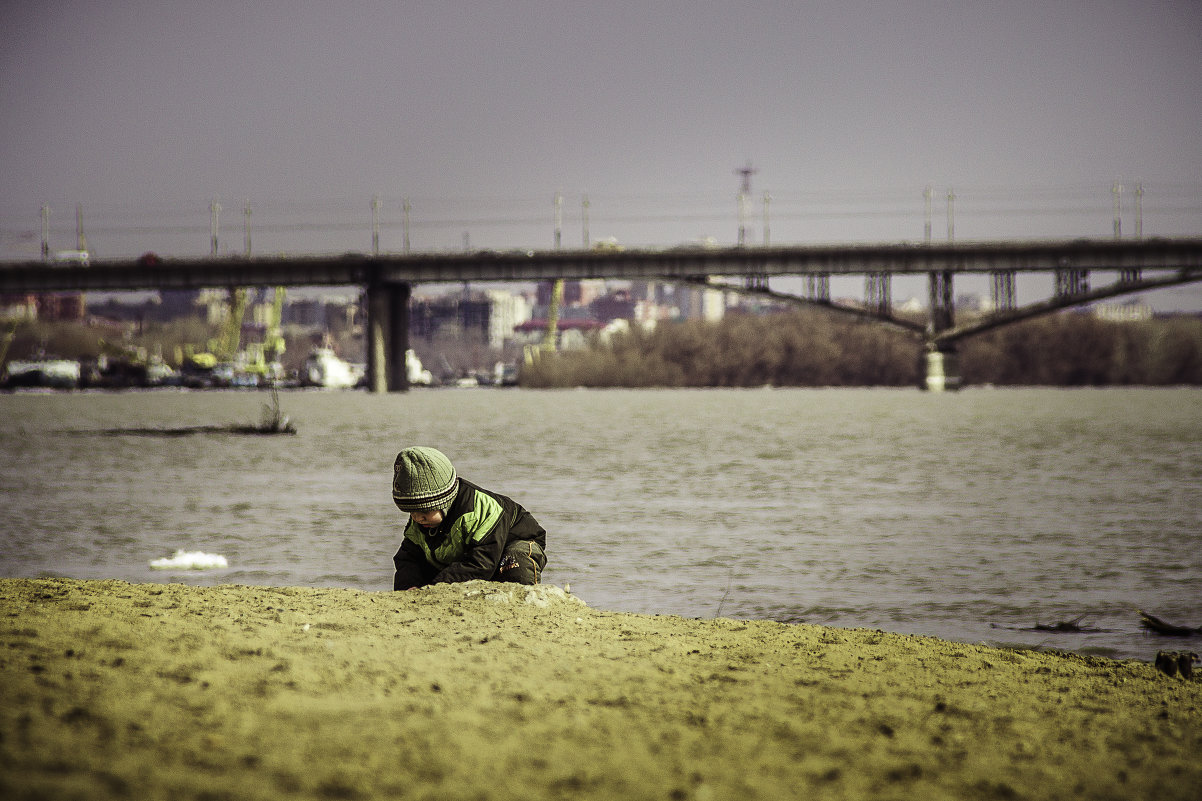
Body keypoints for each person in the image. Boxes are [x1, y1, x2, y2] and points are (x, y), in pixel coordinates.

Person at [391, 446, 547, 590]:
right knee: (421, 568)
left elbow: (482, 563)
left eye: (424, 511)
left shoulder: (480, 512)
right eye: (411, 512)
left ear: (444, 502)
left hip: (512, 545)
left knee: (514, 562)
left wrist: (436, 587)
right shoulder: (421, 521)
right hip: (465, 555)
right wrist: (409, 587)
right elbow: (407, 558)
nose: (417, 518)